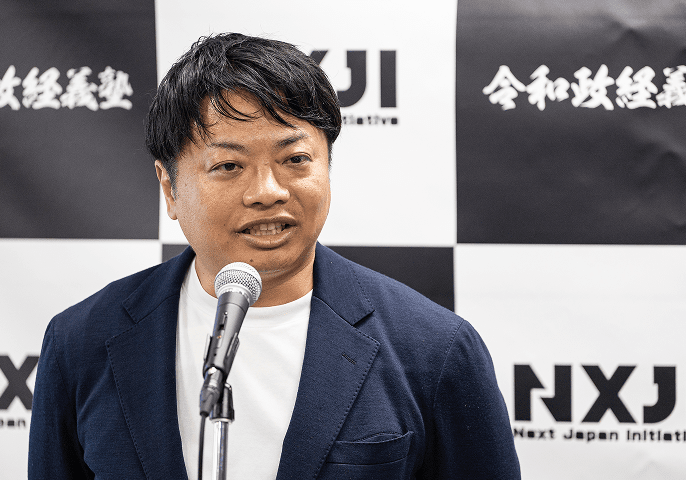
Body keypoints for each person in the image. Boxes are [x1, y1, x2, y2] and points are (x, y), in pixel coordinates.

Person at [28, 32, 520, 479]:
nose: (267, 191)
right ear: (169, 188)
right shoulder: (82, 342)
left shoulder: (434, 350)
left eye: (295, 159)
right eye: (229, 165)